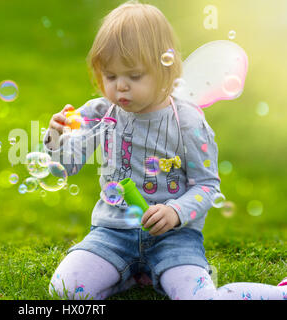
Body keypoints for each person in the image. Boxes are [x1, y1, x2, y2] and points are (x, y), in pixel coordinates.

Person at [43, 1, 286, 300]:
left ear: (164, 69)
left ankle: (279, 293)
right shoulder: (100, 112)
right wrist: (56, 138)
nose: (120, 88)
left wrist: (175, 211)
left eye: (134, 77)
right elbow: (68, 165)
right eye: (110, 76)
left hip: (174, 239)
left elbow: (208, 185)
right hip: (112, 233)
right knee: (64, 291)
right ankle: (130, 273)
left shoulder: (187, 121)